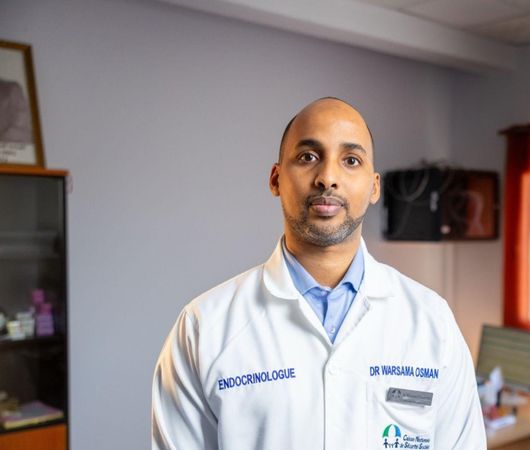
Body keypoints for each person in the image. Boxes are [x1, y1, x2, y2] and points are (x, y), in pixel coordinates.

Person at [151, 97, 487, 449]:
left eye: (350, 160)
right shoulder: (203, 327)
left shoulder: (433, 322)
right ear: (276, 179)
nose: (328, 177)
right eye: (308, 157)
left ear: (374, 187)